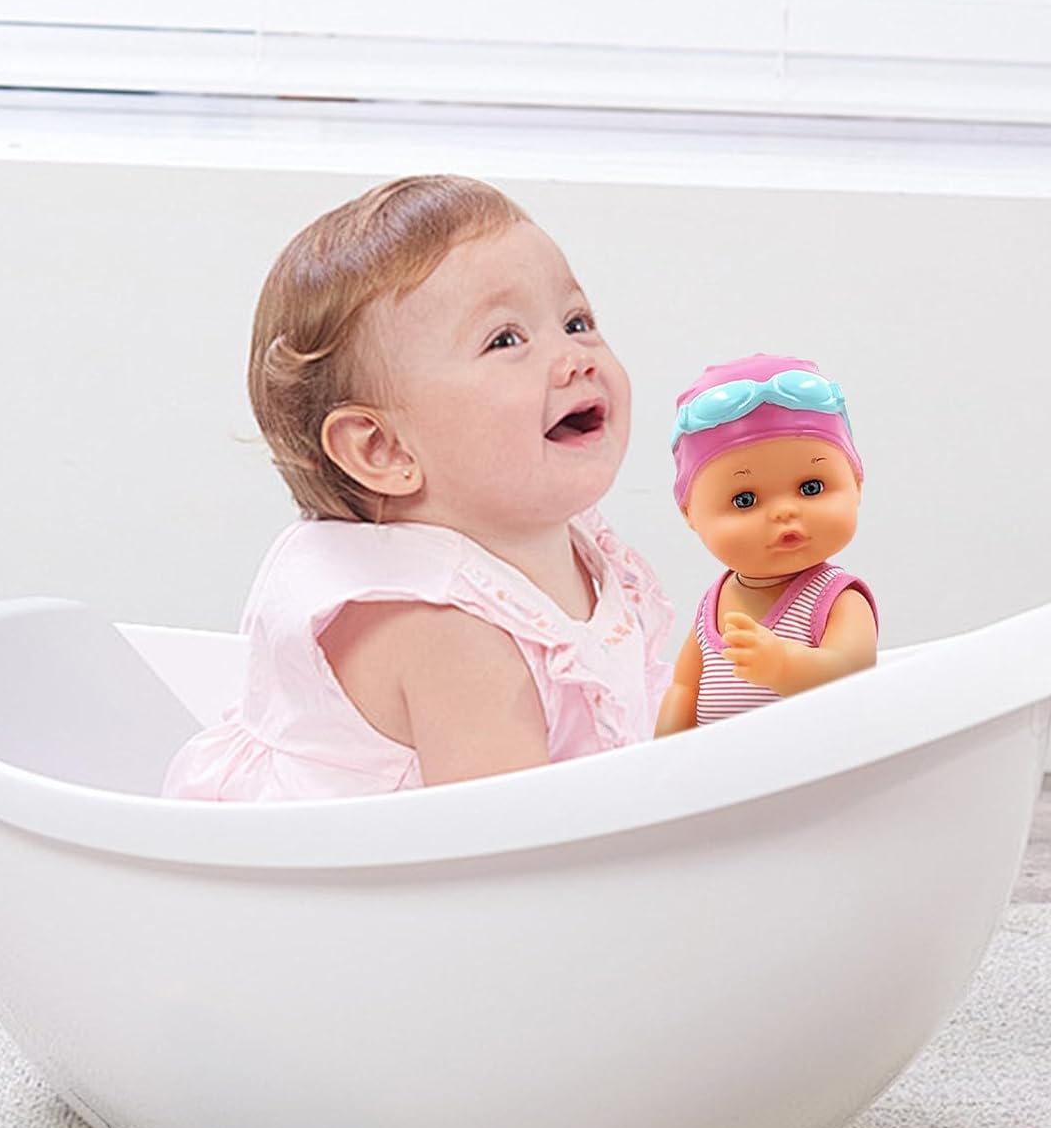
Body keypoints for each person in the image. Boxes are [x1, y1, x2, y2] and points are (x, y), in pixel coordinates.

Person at [163, 175, 675, 800]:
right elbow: (515, 845)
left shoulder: (543, 539)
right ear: (383, 449)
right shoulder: (449, 635)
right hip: (351, 865)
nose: (577, 358)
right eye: (505, 339)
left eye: (576, 321)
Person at [654, 354, 878, 734]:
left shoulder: (836, 598)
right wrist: (663, 752)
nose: (784, 511)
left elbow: (851, 672)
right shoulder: (713, 604)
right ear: (689, 513)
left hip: (811, 763)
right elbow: (684, 687)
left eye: (811, 487)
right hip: (721, 767)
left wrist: (783, 666)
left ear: (856, 484)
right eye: (745, 500)